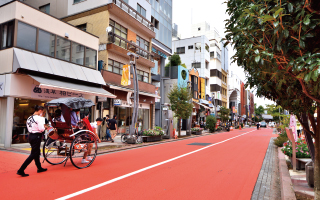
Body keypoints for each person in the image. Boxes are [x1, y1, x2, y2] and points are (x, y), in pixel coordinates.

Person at [17, 105, 48, 177]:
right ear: (40, 110)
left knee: (36, 152)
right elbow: (41, 129)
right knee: (34, 153)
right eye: (42, 112)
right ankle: (21, 169)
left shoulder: (29, 117)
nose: (42, 113)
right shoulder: (40, 118)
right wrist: (45, 127)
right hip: (36, 136)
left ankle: (39, 168)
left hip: (31, 135)